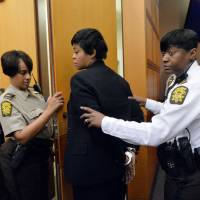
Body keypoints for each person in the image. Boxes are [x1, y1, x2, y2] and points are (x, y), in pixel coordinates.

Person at [80, 29, 200, 200]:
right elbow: (172, 110)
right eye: (163, 53)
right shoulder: (175, 79)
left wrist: (105, 122)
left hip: (192, 172)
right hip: (175, 167)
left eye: (171, 53)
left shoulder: (194, 85)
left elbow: (157, 132)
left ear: (192, 53)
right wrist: (148, 102)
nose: (164, 58)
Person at [64, 28, 144, 200]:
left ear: (92, 52)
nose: (73, 56)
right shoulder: (121, 81)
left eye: (77, 51)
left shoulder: (80, 79)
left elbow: (94, 124)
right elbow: (137, 118)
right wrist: (129, 153)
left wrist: (122, 157)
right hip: (115, 169)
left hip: (90, 170)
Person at [0, 50, 64, 200]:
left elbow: (46, 126)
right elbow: (21, 136)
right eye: (23, 73)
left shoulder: (35, 95)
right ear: (11, 72)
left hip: (44, 158)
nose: (28, 77)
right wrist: (49, 110)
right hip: (26, 163)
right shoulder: (7, 101)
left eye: (29, 72)